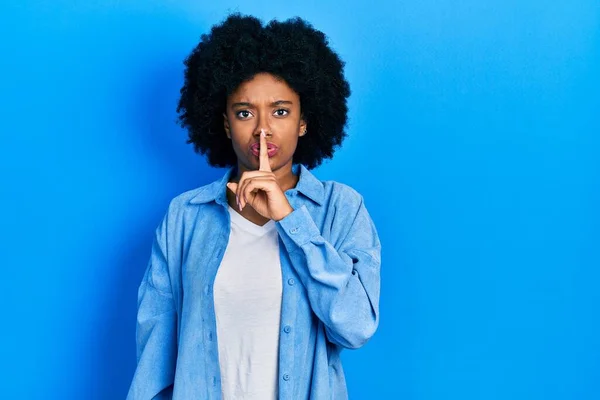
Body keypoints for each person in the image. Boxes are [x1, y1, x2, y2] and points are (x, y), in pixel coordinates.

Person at [126, 12, 382, 400]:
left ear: (303, 122)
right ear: (226, 123)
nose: (263, 129)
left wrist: (290, 220)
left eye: (281, 111)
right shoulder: (185, 216)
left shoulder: (340, 209)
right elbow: (155, 353)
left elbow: (356, 326)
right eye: (245, 112)